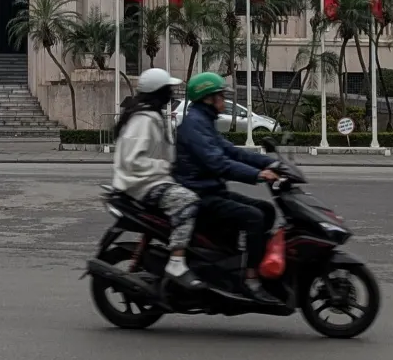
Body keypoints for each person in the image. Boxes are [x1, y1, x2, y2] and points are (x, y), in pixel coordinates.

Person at [173, 71, 280, 287]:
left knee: (267, 210)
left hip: (211, 191)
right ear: (208, 99)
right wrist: (258, 175)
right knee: (255, 217)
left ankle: (236, 257)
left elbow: (231, 151)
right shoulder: (194, 125)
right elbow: (218, 162)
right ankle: (250, 277)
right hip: (200, 196)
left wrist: (269, 163)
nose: (224, 100)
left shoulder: (203, 121)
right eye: (220, 96)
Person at [109, 67, 203, 289]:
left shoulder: (154, 116)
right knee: (187, 200)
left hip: (153, 180)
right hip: (141, 184)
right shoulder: (143, 119)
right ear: (158, 92)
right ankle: (177, 261)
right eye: (168, 89)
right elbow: (133, 160)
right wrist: (165, 166)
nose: (171, 93)